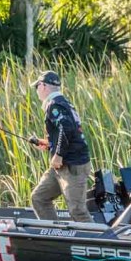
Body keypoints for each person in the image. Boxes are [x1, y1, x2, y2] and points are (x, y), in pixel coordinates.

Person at [29, 70, 93, 222]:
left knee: (77, 211)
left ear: (43, 86)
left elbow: (67, 128)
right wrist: (49, 144)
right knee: (39, 198)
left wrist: (58, 155)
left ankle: (100, 237)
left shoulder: (54, 105)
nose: (37, 90)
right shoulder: (62, 103)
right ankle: (53, 232)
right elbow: (67, 131)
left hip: (73, 166)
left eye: (37, 86)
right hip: (61, 167)